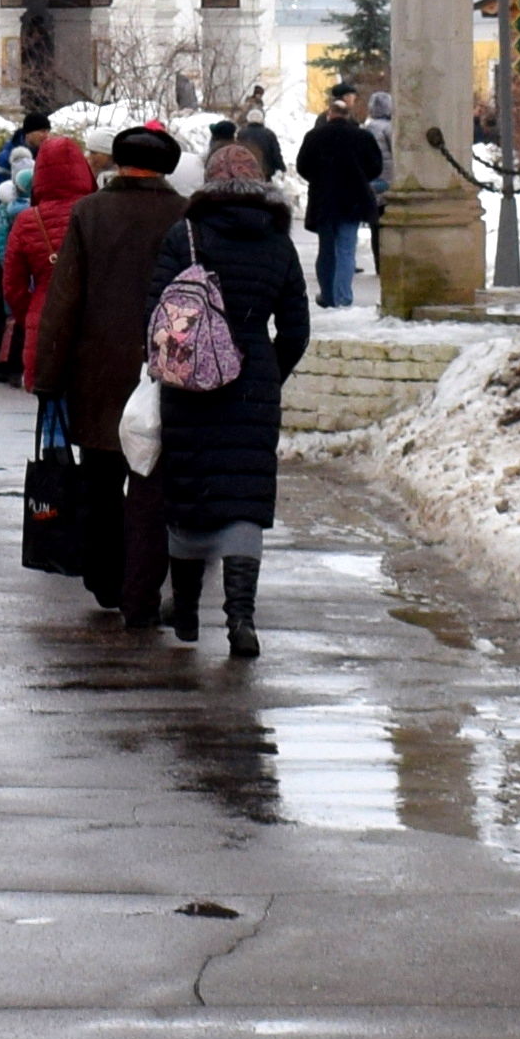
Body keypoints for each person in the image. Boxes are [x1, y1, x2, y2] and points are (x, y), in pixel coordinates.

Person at [149, 131, 317, 655]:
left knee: (189, 488)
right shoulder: (277, 241)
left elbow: (156, 313)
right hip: (253, 382)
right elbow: (295, 329)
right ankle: (240, 619)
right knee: (244, 497)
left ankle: (186, 614)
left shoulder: (187, 235)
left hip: (190, 378)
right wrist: (267, 371)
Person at [41, 126, 197, 620]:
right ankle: (143, 583)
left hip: (97, 369)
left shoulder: (90, 213)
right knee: (153, 480)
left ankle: (107, 576)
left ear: (117, 163)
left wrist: (49, 374)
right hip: (167, 368)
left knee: (101, 477)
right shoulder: (184, 216)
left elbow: (64, 299)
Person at [0, 127, 93, 390]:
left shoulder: (27, 220)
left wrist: (31, 311)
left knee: (52, 411)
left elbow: (13, 285)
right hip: (91, 324)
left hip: (45, 321)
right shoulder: (96, 212)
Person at [299, 85, 388, 312]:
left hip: (323, 200)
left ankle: (327, 294)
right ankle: (343, 297)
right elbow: (375, 166)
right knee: (347, 250)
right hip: (353, 199)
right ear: (348, 116)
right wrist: (360, 179)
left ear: (330, 115)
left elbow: (303, 166)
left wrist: (318, 179)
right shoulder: (362, 136)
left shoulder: (314, 136)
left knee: (326, 249)